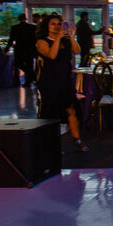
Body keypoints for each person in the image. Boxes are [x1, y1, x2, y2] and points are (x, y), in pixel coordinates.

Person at [35, 14, 86, 151]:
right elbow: (51, 55)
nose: (57, 26)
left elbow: (77, 51)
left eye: (59, 24)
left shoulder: (66, 40)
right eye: (53, 24)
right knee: (52, 112)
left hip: (65, 80)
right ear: (47, 26)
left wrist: (72, 37)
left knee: (71, 110)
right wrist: (57, 39)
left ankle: (77, 139)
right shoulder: (42, 42)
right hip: (49, 82)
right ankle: (51, 142)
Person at [4, 14, 37, 86]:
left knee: (19, 63)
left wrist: (7, 48)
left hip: (20, 49)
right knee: (29, 65)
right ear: (26, 19)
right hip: (30, 49)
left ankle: (31, 76)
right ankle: (30, 79)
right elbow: (35, 39)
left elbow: (11, 39)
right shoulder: (32, 27)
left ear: (19, 19)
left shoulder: (15, 28)